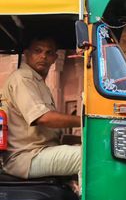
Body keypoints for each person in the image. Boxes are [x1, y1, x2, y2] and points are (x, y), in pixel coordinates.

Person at [2, 35, 81, 180]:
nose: (43, 56)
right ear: (26, 54)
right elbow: (44, 118)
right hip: (26, 157)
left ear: (55, 58)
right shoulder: (23, 78)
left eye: (49, 53)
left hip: (39, 151)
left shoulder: (38, 83)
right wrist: (84, 120)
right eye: (37, 51)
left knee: (93, 150)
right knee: (87, 159)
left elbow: (48, 136)